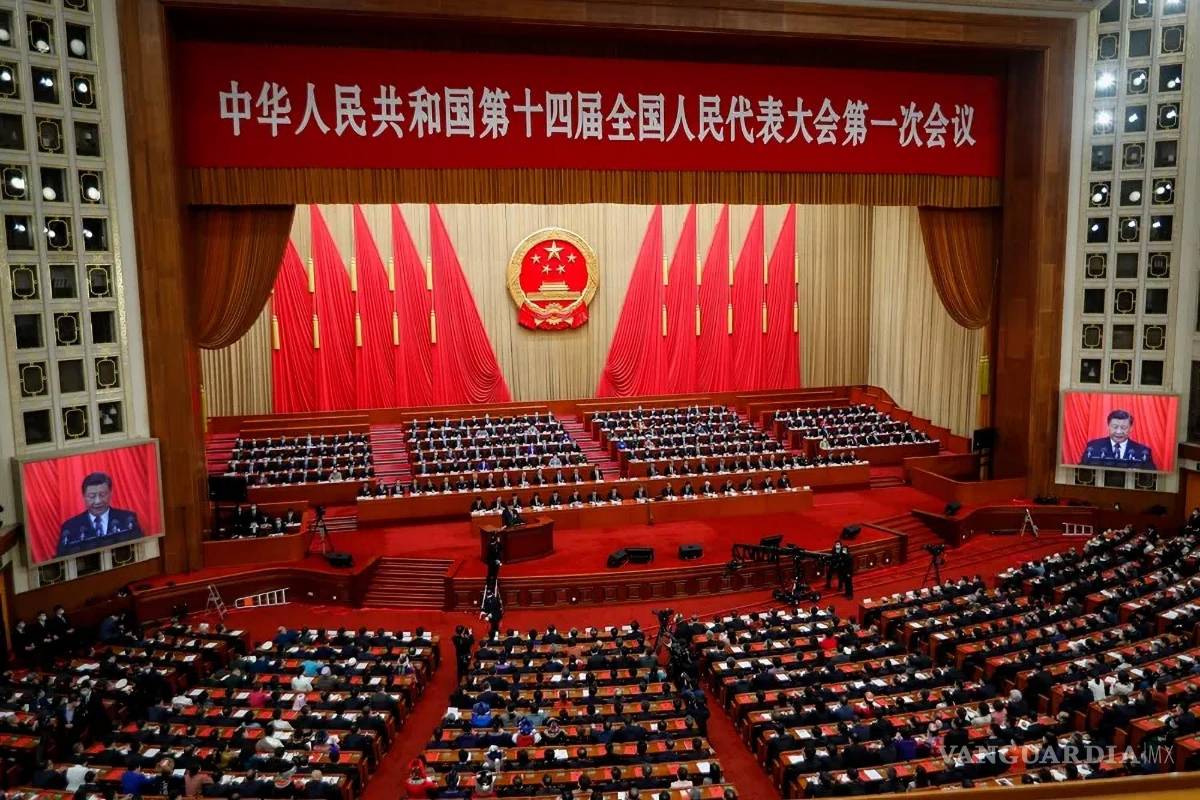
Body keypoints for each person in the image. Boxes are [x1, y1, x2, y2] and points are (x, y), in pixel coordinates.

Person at [57, 472, 143, 558]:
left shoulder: (127, 519)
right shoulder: (70, 528)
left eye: (102, 495)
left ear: (110, 493)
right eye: (92, 496)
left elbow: (140, 550)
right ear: (83, 496)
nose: (98, 501)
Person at [1080, 409, 1156, 470]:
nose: (1118, 432)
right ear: (1108, 426)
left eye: (1123, 427)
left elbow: (1150, 480)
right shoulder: (1093, 447)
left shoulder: (1143, 451)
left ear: (1131, 428)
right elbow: (1081, 473)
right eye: (1115, 427)